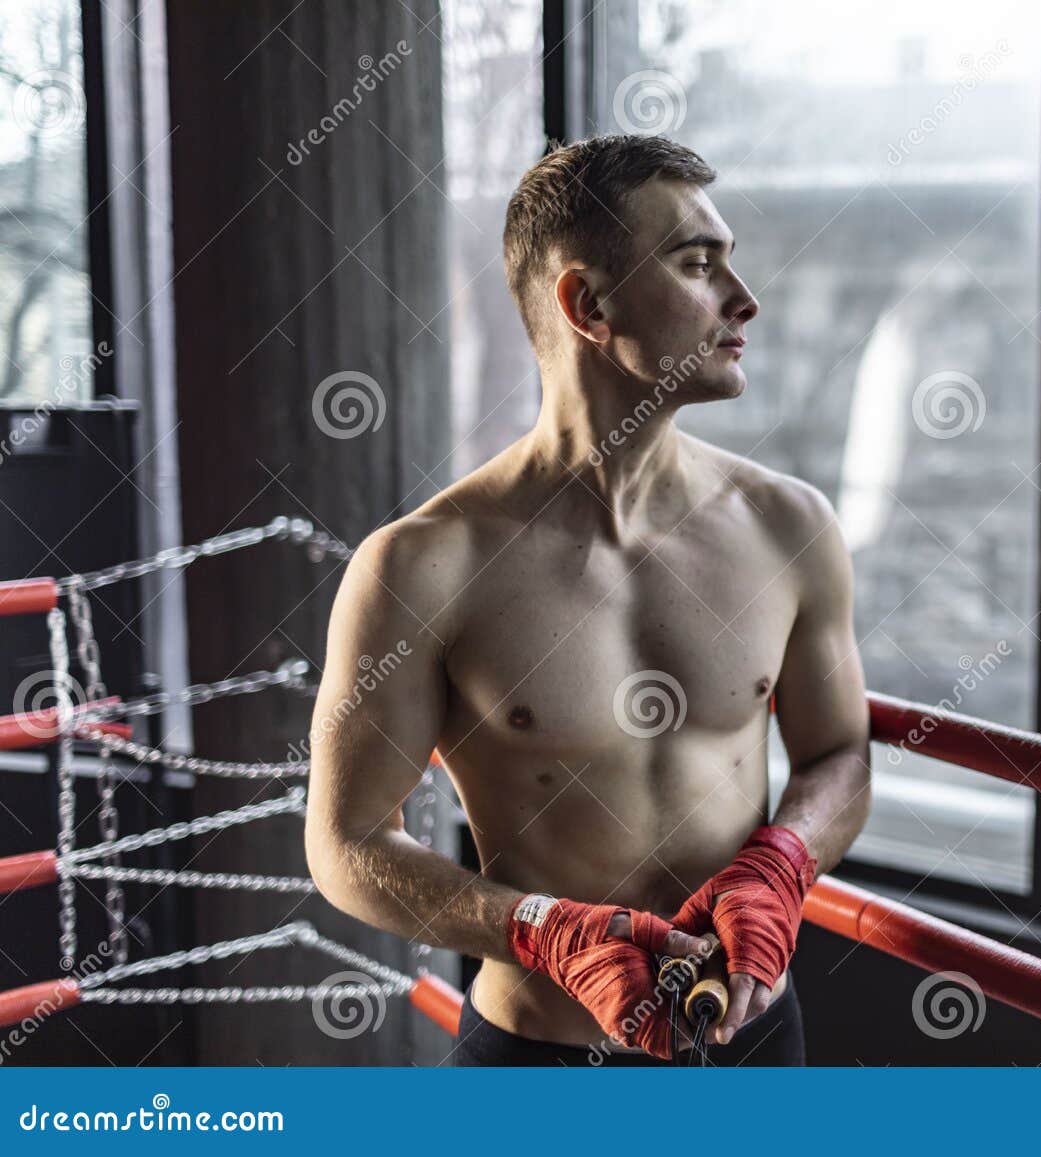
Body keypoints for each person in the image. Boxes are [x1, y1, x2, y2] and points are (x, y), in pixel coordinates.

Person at [304, 133, 873, 1066]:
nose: (745, 300)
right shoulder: (422, 566)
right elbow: (348, 844)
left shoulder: (790, 527)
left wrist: (782, 865)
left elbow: (840, 752)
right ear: (588, 304)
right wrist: (541, 930)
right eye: (698, 264)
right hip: (540, 1058)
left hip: (753, 1044)